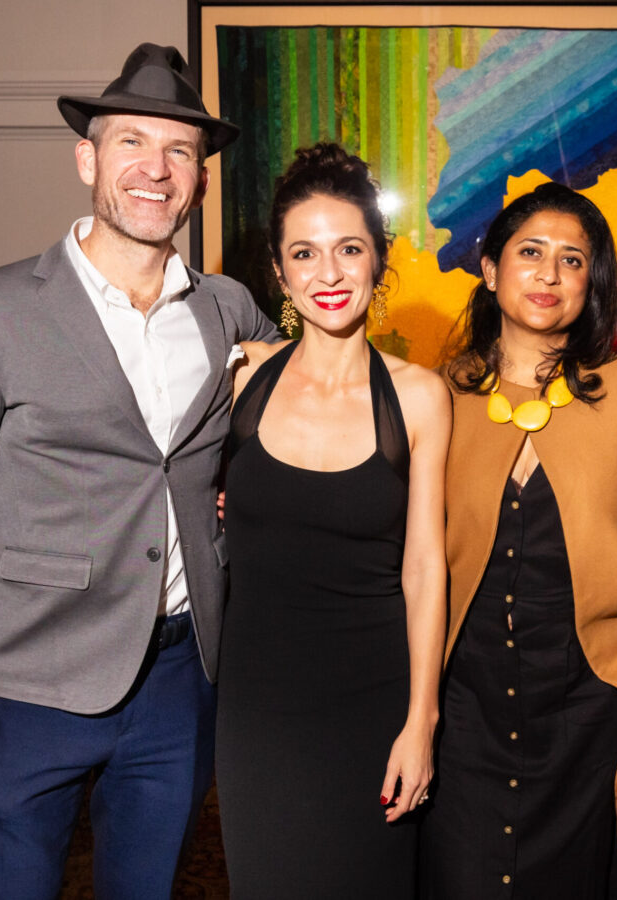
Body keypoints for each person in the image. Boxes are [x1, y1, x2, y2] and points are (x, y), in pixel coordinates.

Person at [0, 43, 278, 899]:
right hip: (31, 687)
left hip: (182, 683)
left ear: (202, 178)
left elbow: (303, 423)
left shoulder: (229, 311)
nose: (157, 168)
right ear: (86, 159)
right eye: (132, 142)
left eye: (181, 150)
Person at [215, 142, 449, 898]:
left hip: (373, 705)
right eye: (304, 254)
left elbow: (424, 569)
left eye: (349, 249)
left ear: (379, 259)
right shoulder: (243, 374)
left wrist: (422, 723)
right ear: (279, 273)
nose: (329, 273)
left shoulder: (419, 397)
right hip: (256, 710)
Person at [419, 182, 617, 898]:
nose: (550, 274)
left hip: (593, 707)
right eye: (530, 252)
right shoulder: (436, 394)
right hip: (463, 704)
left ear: (594, 283)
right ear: (489, 271)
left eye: (573, 260)